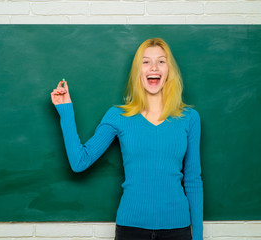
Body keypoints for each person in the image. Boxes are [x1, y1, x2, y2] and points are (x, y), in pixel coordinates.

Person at [51, 38, 203, 240]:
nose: (154, 67)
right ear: (137, 71)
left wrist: (198, 237)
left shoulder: (189, 118)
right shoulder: (117, 116)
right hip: (131, 230)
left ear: (169, 70)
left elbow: (193, 180)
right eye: (146, 61)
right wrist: (66, 111)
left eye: (161, 61)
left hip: (178, 230)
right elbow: (80, 161)